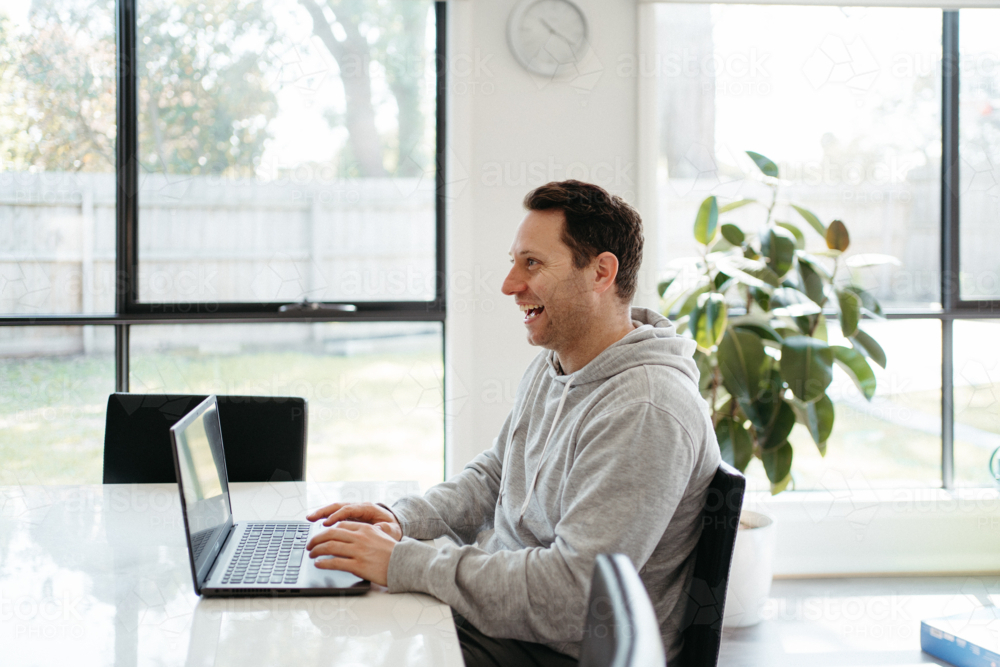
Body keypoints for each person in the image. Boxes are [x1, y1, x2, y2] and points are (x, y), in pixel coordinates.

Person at [305, 180, 721, 666]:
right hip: (510, 626)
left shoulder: (646, 409)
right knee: (337, 618)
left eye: (533, 263)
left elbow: (573, 596)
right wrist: (403, 521)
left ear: (601, 273)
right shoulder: (560, 364)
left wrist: (403, 562)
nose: (509, 284)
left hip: (562, 651)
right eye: (514, 261)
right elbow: (496, 475)